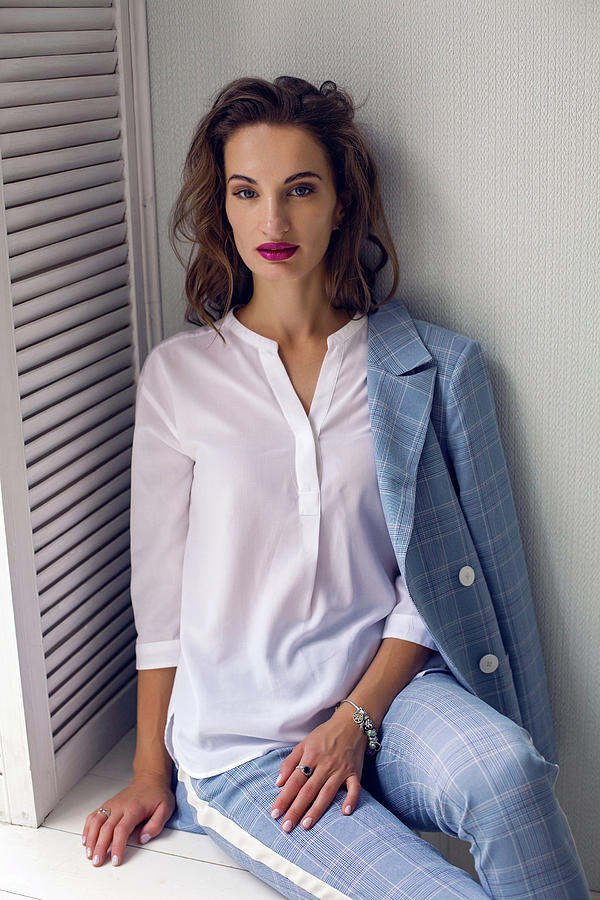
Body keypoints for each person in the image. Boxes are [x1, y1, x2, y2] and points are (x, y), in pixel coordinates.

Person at [81, 76, 589, 899]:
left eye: (300, 190)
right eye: (247, 192)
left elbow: (430, 583)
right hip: (249, 746)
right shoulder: (179, 378)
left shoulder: (421, 367)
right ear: (224, 208)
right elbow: (161, 604)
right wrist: (150, 770)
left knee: (512, 775)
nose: (273, 223)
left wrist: (357, 718)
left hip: (392, 700)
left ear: (342, 202)